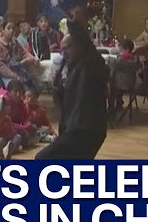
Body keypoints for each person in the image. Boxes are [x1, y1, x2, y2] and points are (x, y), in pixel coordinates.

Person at [35, 25, 109, 160]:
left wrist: (76, 23)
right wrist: (58, 91)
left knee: (42, 158)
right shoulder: (74, 67)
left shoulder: (90, 63)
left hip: (86, 129)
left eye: (67, 49)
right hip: (78, 128)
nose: (64, 54)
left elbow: (86, 44)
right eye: (62, 50)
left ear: (78, 46)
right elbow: (68, 102)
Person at [0, 21, 40, 89]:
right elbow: (1, 67)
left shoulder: (15, 41)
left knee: (36, 84)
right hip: (5, 75)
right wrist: (15, 76)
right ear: (2, 30)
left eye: (13, 29)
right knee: (17, 85)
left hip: (18, 70)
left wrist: (33, 58)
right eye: (8, 28)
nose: (11, 31)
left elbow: (24, 53)